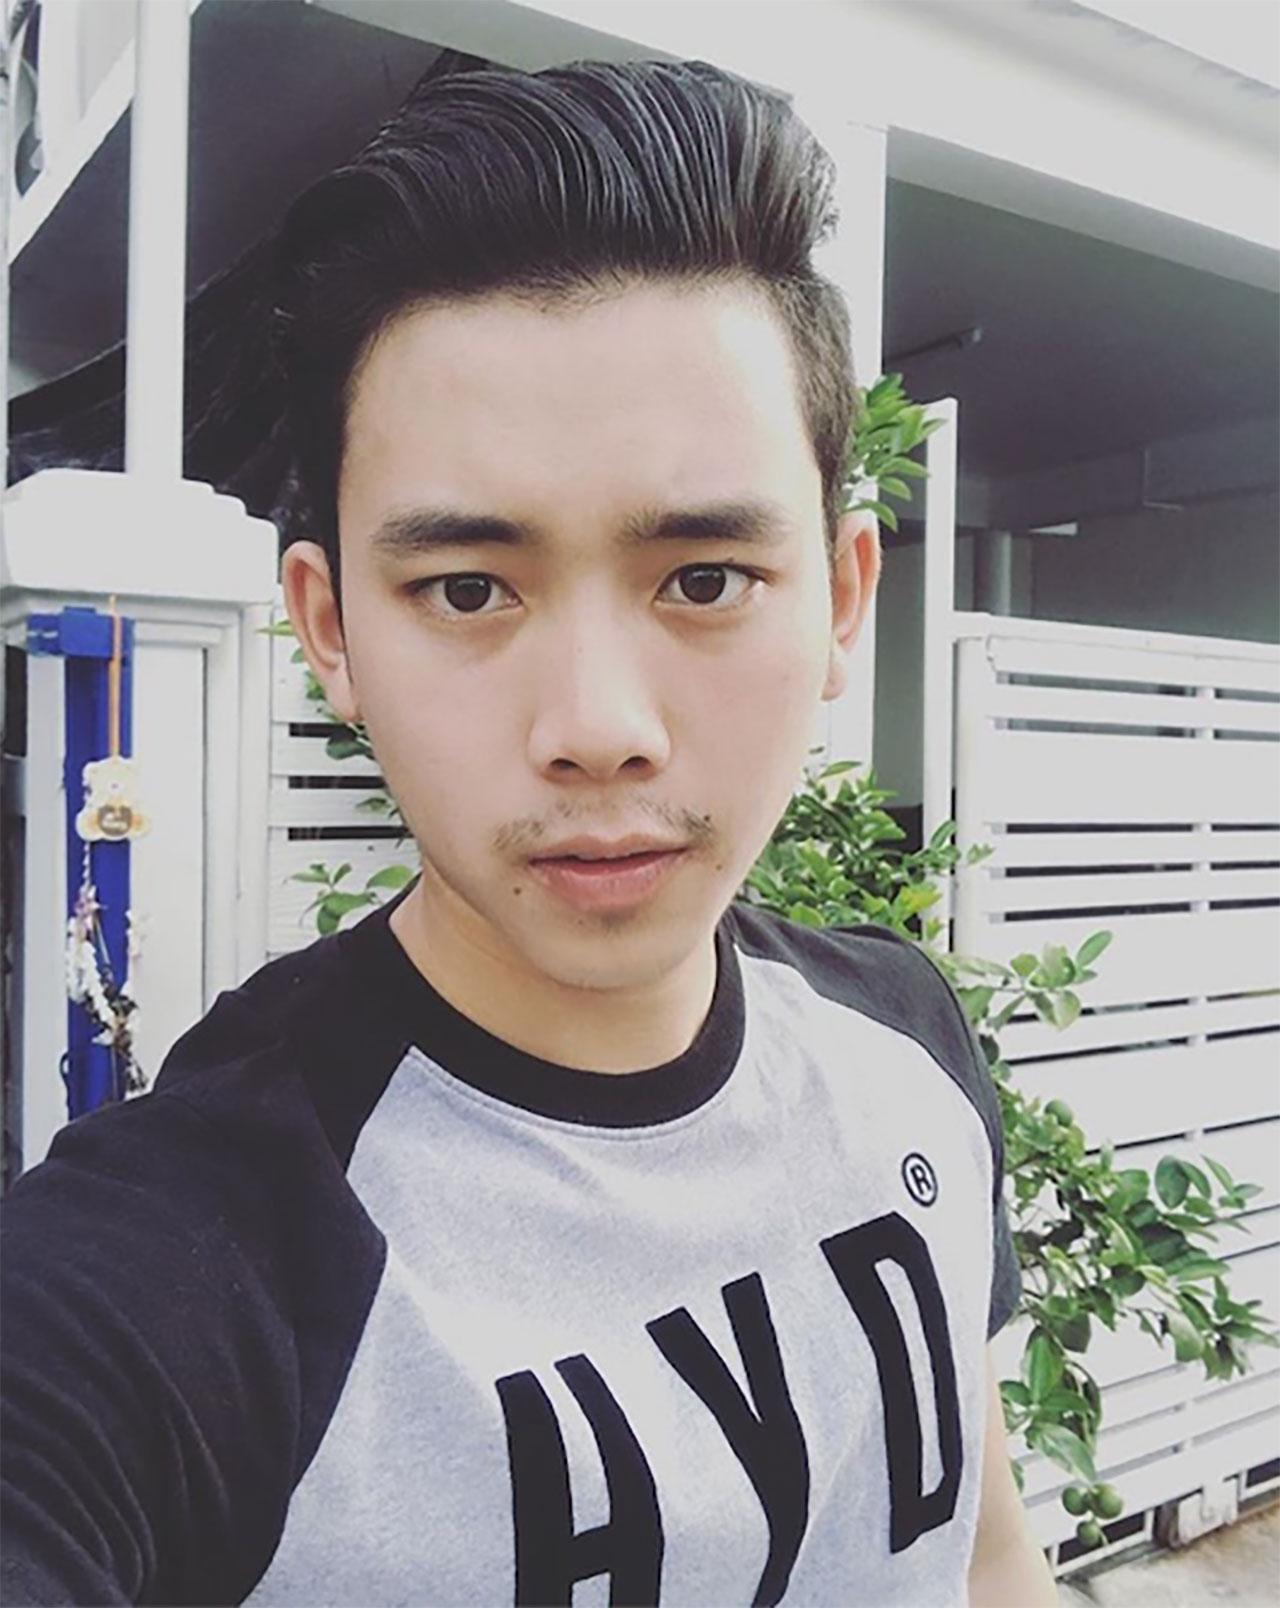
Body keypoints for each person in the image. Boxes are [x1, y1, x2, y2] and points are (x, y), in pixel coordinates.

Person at [1, 55, 1058, 1608]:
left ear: (841, 600)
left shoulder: (905, 1041)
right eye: (467, 589)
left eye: (704, 579)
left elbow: (981, 1545)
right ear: (333, 631)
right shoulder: (189, 1268)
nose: (598, 724)